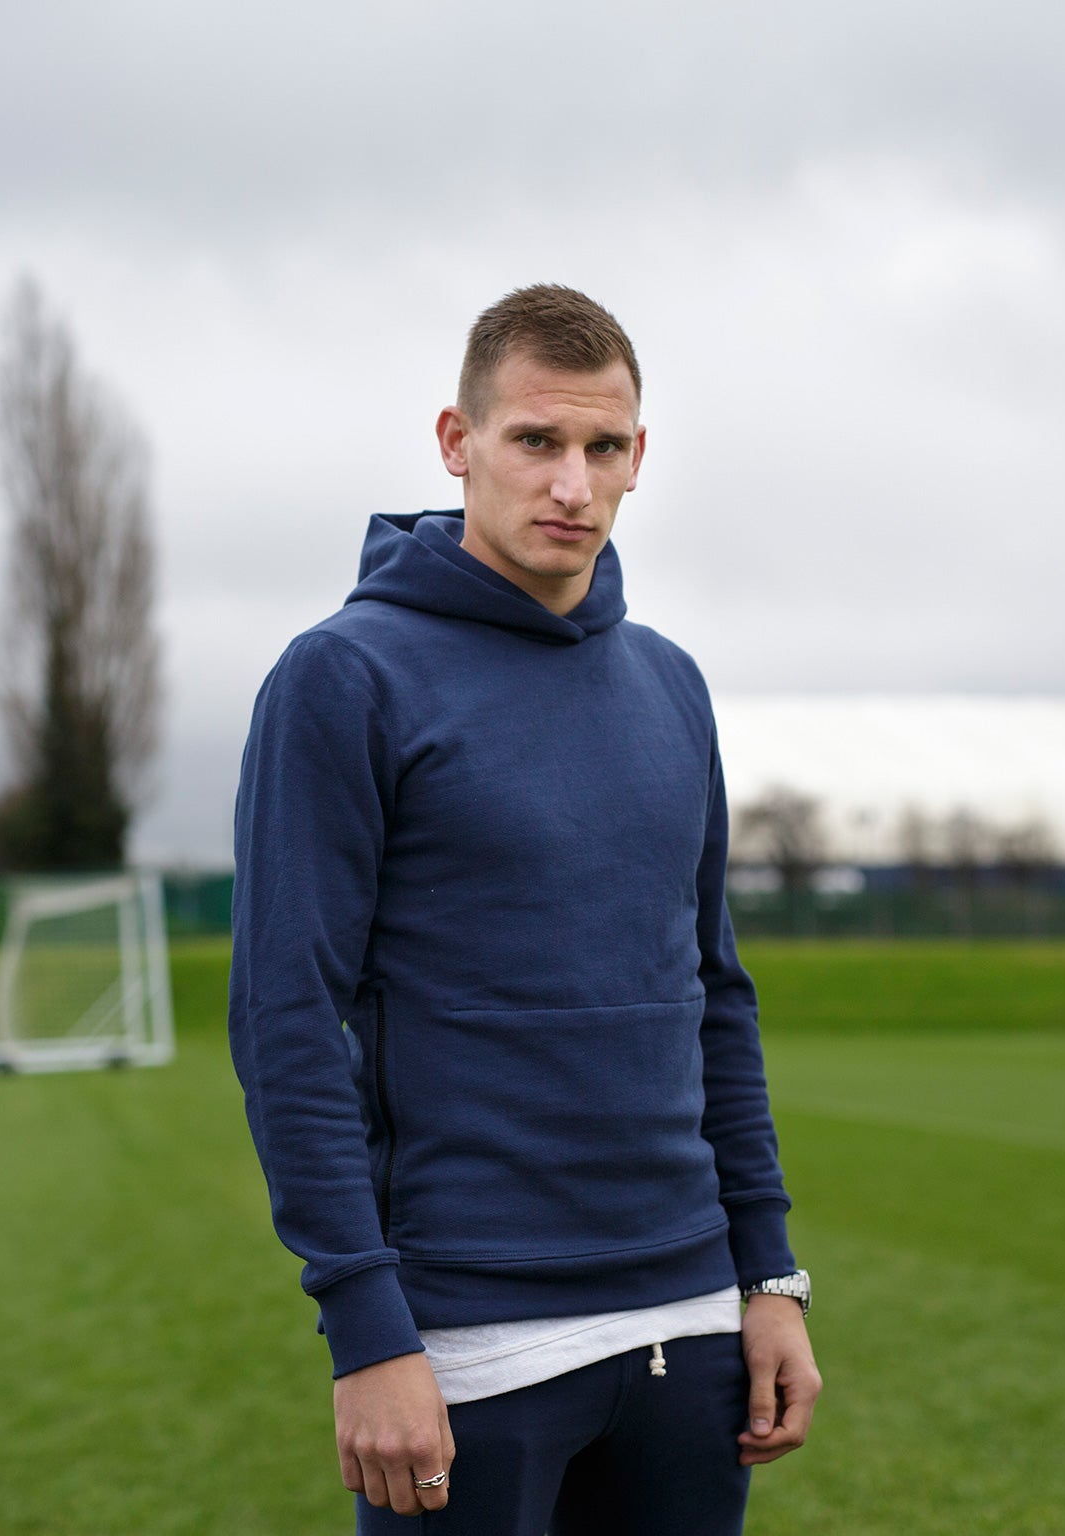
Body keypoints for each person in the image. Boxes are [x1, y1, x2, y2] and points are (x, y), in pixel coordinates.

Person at [229, 284, 820, 1535]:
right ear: (456, 442)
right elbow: (287, 1022)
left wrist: (767, 1275)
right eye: (534, 442)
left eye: (603, 448)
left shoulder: (669, 684)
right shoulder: (343, 677)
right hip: (468, 1340)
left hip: (688, 1322)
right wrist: (365, 1332)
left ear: (638, 456)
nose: (571, 484)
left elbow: (712, 994)